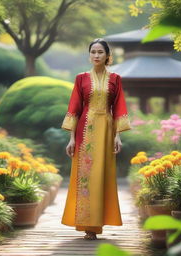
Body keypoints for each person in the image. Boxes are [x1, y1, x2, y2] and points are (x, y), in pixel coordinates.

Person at [61, 38, 131, 240]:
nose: (96, 55)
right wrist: (71, 138)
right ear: (89, 55)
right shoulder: (80, 78)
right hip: (85, 132)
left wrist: (118, 136)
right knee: (87, 176)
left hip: (107, 132)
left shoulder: (115, 78)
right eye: (93, 52)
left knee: (103, 176)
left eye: (100, 52)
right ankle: (88, 226)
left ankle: (98, 222)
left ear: (107, 55)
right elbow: (74, 108)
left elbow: (118, 107)